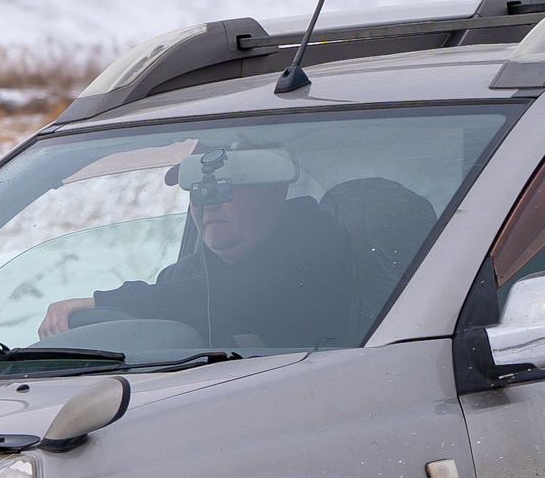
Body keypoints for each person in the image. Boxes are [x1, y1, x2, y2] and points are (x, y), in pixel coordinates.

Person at [37, 146, 355, 348]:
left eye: (225, 187)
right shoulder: (184, 275)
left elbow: (235, 298)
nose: (208, 203)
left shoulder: (317, 252)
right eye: (198, 191)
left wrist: (103, 301)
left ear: (275, 189)